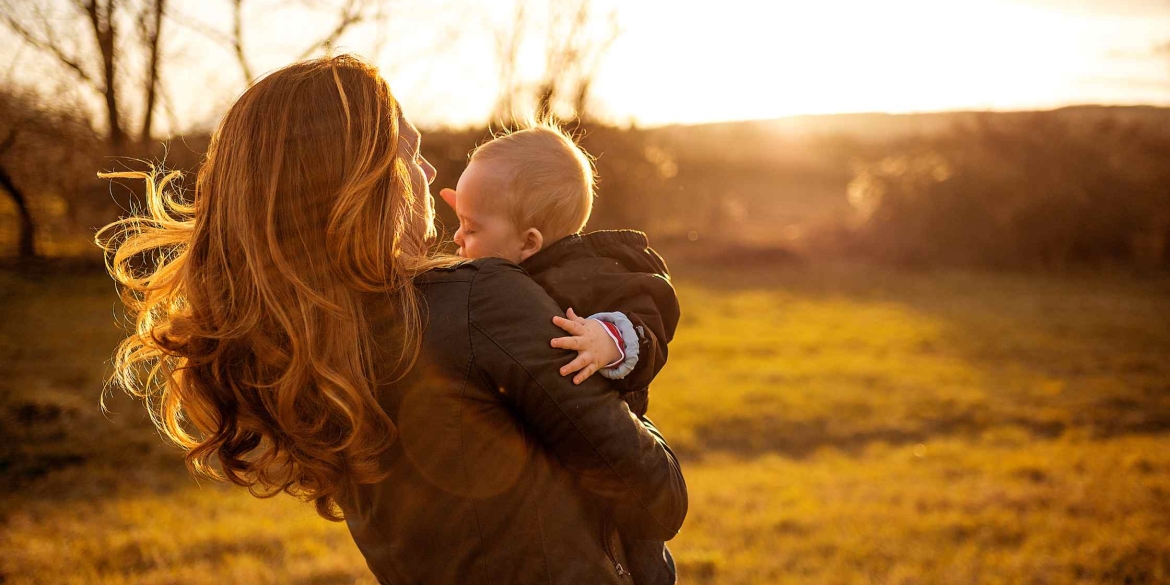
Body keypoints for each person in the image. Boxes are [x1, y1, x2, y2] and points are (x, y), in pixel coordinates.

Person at [95, 54, 687, 584]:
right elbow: (658, 496)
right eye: (410, 153)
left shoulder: (307, 352)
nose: (430, 174)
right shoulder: (480, 303)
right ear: (361, 184)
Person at [439, 122, 681, 585]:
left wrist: (605, 339)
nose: (457, 239)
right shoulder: (507, 280)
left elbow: (650, 320)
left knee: (635, 554)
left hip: (617, 447)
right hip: (560, 470)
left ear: (528, 242)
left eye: (469, 228)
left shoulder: (589, 275)